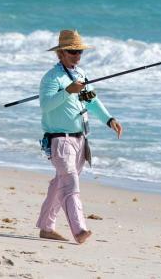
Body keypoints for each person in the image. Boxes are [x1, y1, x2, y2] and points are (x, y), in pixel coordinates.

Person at [35, 29, 123, 244]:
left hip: (80, 139)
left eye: (79, 52)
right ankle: (80, 230)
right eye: (72, 51)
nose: (77, 55)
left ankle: (46, 227)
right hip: (59, 139)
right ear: (61, 53)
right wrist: (67, 91)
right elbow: (46, 106)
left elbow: (91, 100)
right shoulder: (51, 77)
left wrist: (109, 119)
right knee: (70, 182)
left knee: (60, 184)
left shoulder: (80, 75)